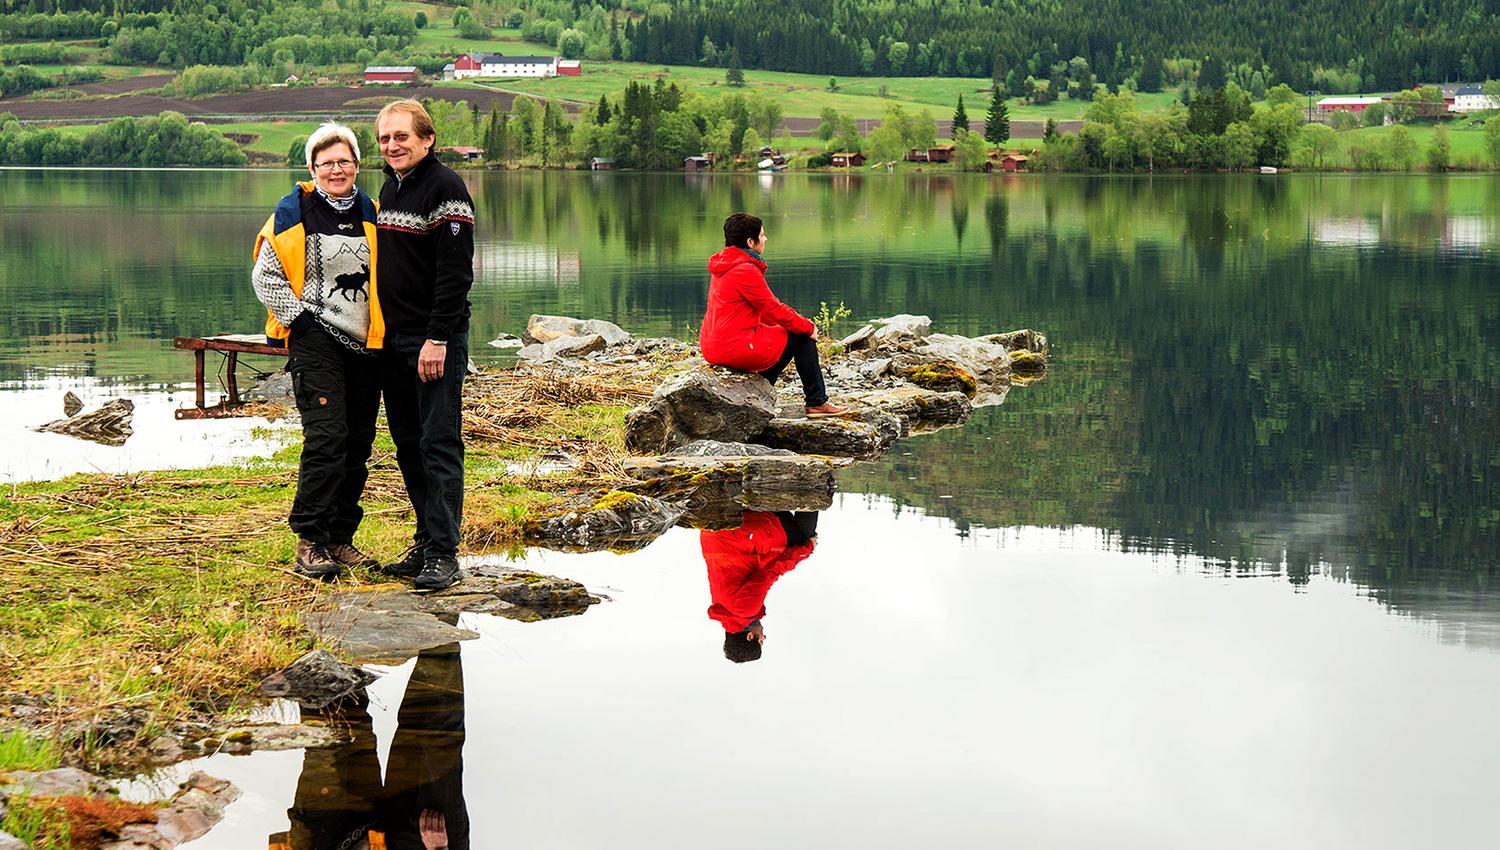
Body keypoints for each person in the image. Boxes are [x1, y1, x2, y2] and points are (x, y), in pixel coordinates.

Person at [252, 122, 384, 580]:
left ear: (356, 165)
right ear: (312, 167)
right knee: (327, 439)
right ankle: (309, 540)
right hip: (316, 341)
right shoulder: (294, 212)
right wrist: (301, 320)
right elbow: (265, 277)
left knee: (358, 444)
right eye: (326, 162)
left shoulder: (374, 211)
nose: (336, 169)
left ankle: (339, 539)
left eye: (344, 161)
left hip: (367, 345)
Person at [373, 99, 475, 592]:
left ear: (427, 138)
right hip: (393, 340)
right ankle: (424, 541)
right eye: (385, 138)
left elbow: (456, 275)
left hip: (434, 338)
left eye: (402, 137)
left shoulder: (446, 188)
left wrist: (437, 338)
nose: (392, 145)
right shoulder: (391, 186)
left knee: (438, 442)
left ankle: (444, 552)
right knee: (408, 445)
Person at [700, 213, 847, 417]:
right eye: (763, 235)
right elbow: (772, 307)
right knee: (802, 338)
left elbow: (763, 310)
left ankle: (761, 387)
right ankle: (816, 402)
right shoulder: (744, 269)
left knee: (787, 332)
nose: (766, 239)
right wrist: (808, 327)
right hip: (733, 347)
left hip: (713, 345)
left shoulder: (725, 265)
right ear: (751, 242)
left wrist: (790, 325)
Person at [701, 511, 820, 663]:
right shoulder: (724, 608)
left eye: (761, 640)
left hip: (736, 532)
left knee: (801, 538)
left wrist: (806, 550)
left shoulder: (744, 610)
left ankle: (809, 490)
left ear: (750, 636)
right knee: (781, 549)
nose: (764, 636)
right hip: (716, 535)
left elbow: (770, 573)